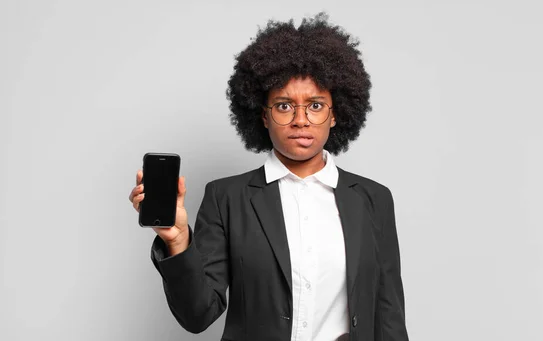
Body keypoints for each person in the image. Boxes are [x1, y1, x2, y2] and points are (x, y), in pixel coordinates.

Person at [128, 13, 409, 341]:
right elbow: (197, 315)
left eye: (315, 106)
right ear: (263, 115)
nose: (301, 120)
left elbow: (389, 317)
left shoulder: (373, 199)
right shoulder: (227, 198)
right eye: (285, 106)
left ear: (336, 115)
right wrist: (177, 242)